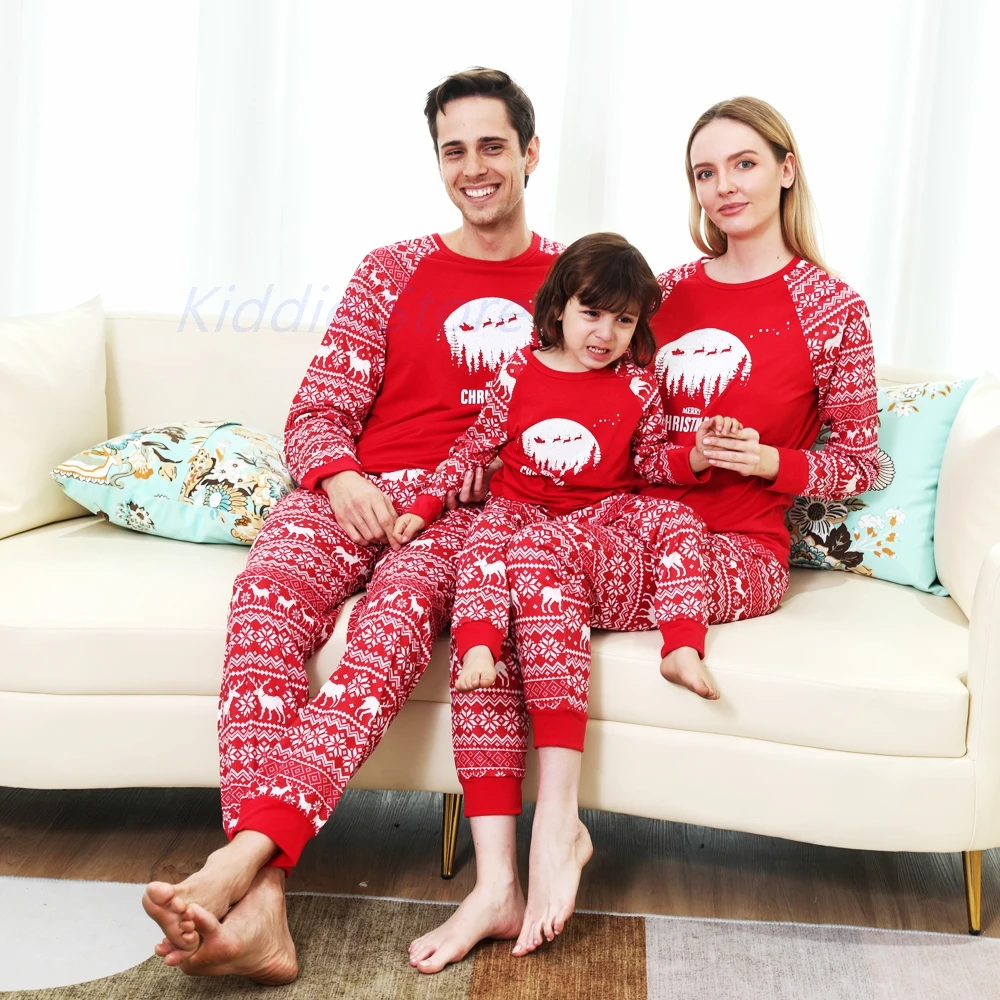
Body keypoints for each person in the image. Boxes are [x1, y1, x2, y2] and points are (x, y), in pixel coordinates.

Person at [410, 95, 881, 971]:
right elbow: (586, 402)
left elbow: (861, 462)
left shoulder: (831, 309)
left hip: (731, 550)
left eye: (745, 163)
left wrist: (768, 461)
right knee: (511, 569)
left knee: (526, 564)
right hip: (617, 524)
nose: (724, 186)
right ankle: (499, 878)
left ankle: (555, 829)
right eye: (705, 171)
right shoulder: (663, 292)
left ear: (786, 169)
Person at [140, 67, 561, 984]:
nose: (474, 168)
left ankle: (240, 865)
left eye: (494, 146)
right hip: (350, 493)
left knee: (389, 629)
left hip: (462, 514)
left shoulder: (573, 283)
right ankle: (264, 904)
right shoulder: (390, 269)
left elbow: (593, 422)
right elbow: (316, 411)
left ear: (531, 153)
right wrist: (338, 478)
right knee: (264, 603)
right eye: (454, 150)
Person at [391, 232, 742, 698]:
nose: (606, 333)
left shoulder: (637, 385)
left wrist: (698, 455)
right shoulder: (519, 372)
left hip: (605, 511)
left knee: (679, 519)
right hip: (520, 507)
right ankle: (478, 646)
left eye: (623, 320)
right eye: (592, 313)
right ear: (559, 307)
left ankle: (681, 645)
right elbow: (473, 447)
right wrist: (424, 506)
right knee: (481, 545)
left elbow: (650, 460)